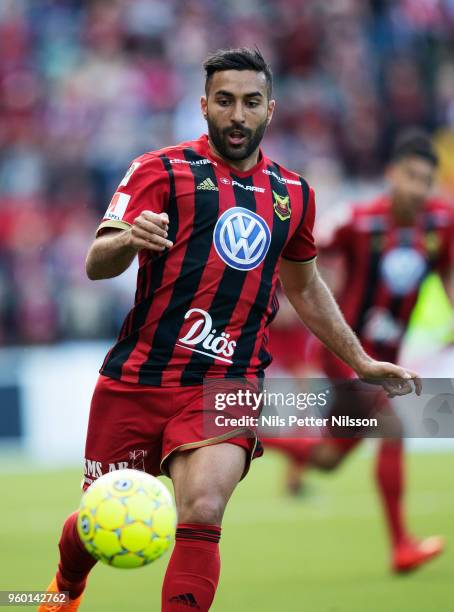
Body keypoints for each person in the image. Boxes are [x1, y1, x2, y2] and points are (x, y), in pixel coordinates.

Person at [38, 48, 420, 612]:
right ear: (204, 106)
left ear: (271, 108)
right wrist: (127, 240)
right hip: (139, 377)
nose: (237, 115)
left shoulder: (294, 195)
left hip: (227, 382)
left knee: (204, 509)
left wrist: (360, 361)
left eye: (250, 102)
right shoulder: (159, 169)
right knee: (99, 521)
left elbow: (306, 287)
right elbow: (97, 261)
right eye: (224, 101)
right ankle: (64, 589)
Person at [264, 130, 453, 573]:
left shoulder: (441, 224)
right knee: (394, 425)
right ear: (391, 174)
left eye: (426, 179)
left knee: (327, 459)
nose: (418, 188)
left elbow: (447, 273)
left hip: (385, 355)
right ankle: (402, 545)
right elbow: (294, 253)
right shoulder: (357, 219)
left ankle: (243, 433)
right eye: (410, 176)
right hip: (343, 354)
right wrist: (277, 298)